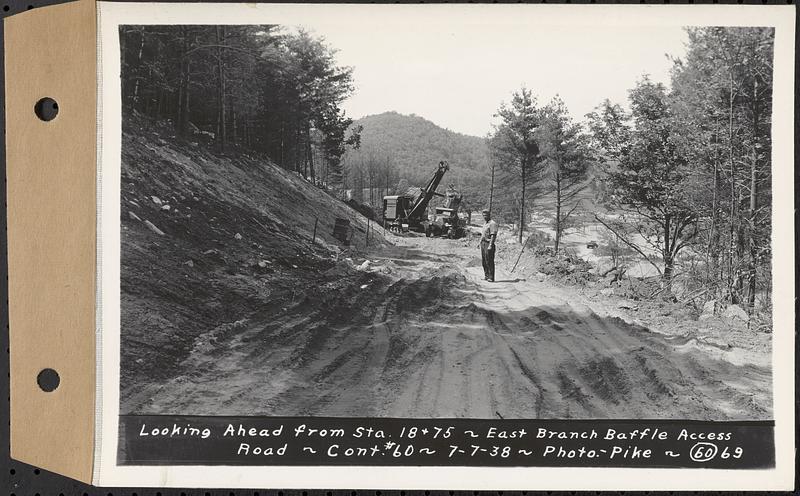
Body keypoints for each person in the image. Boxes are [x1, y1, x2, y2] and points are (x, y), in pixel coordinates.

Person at [481, 209, 498, 282]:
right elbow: (483, 234)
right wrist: (479, 243)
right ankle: (486, 275)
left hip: (489, 243)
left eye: (486, 215)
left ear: (489, 215)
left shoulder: (492, 223)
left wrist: (490, 245)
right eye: (483, 215)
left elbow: (493, 235)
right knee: (484, 261)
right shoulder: (485, 223)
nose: (485, 217)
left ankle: (491, 277)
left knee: (489, 261)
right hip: (483, 243)